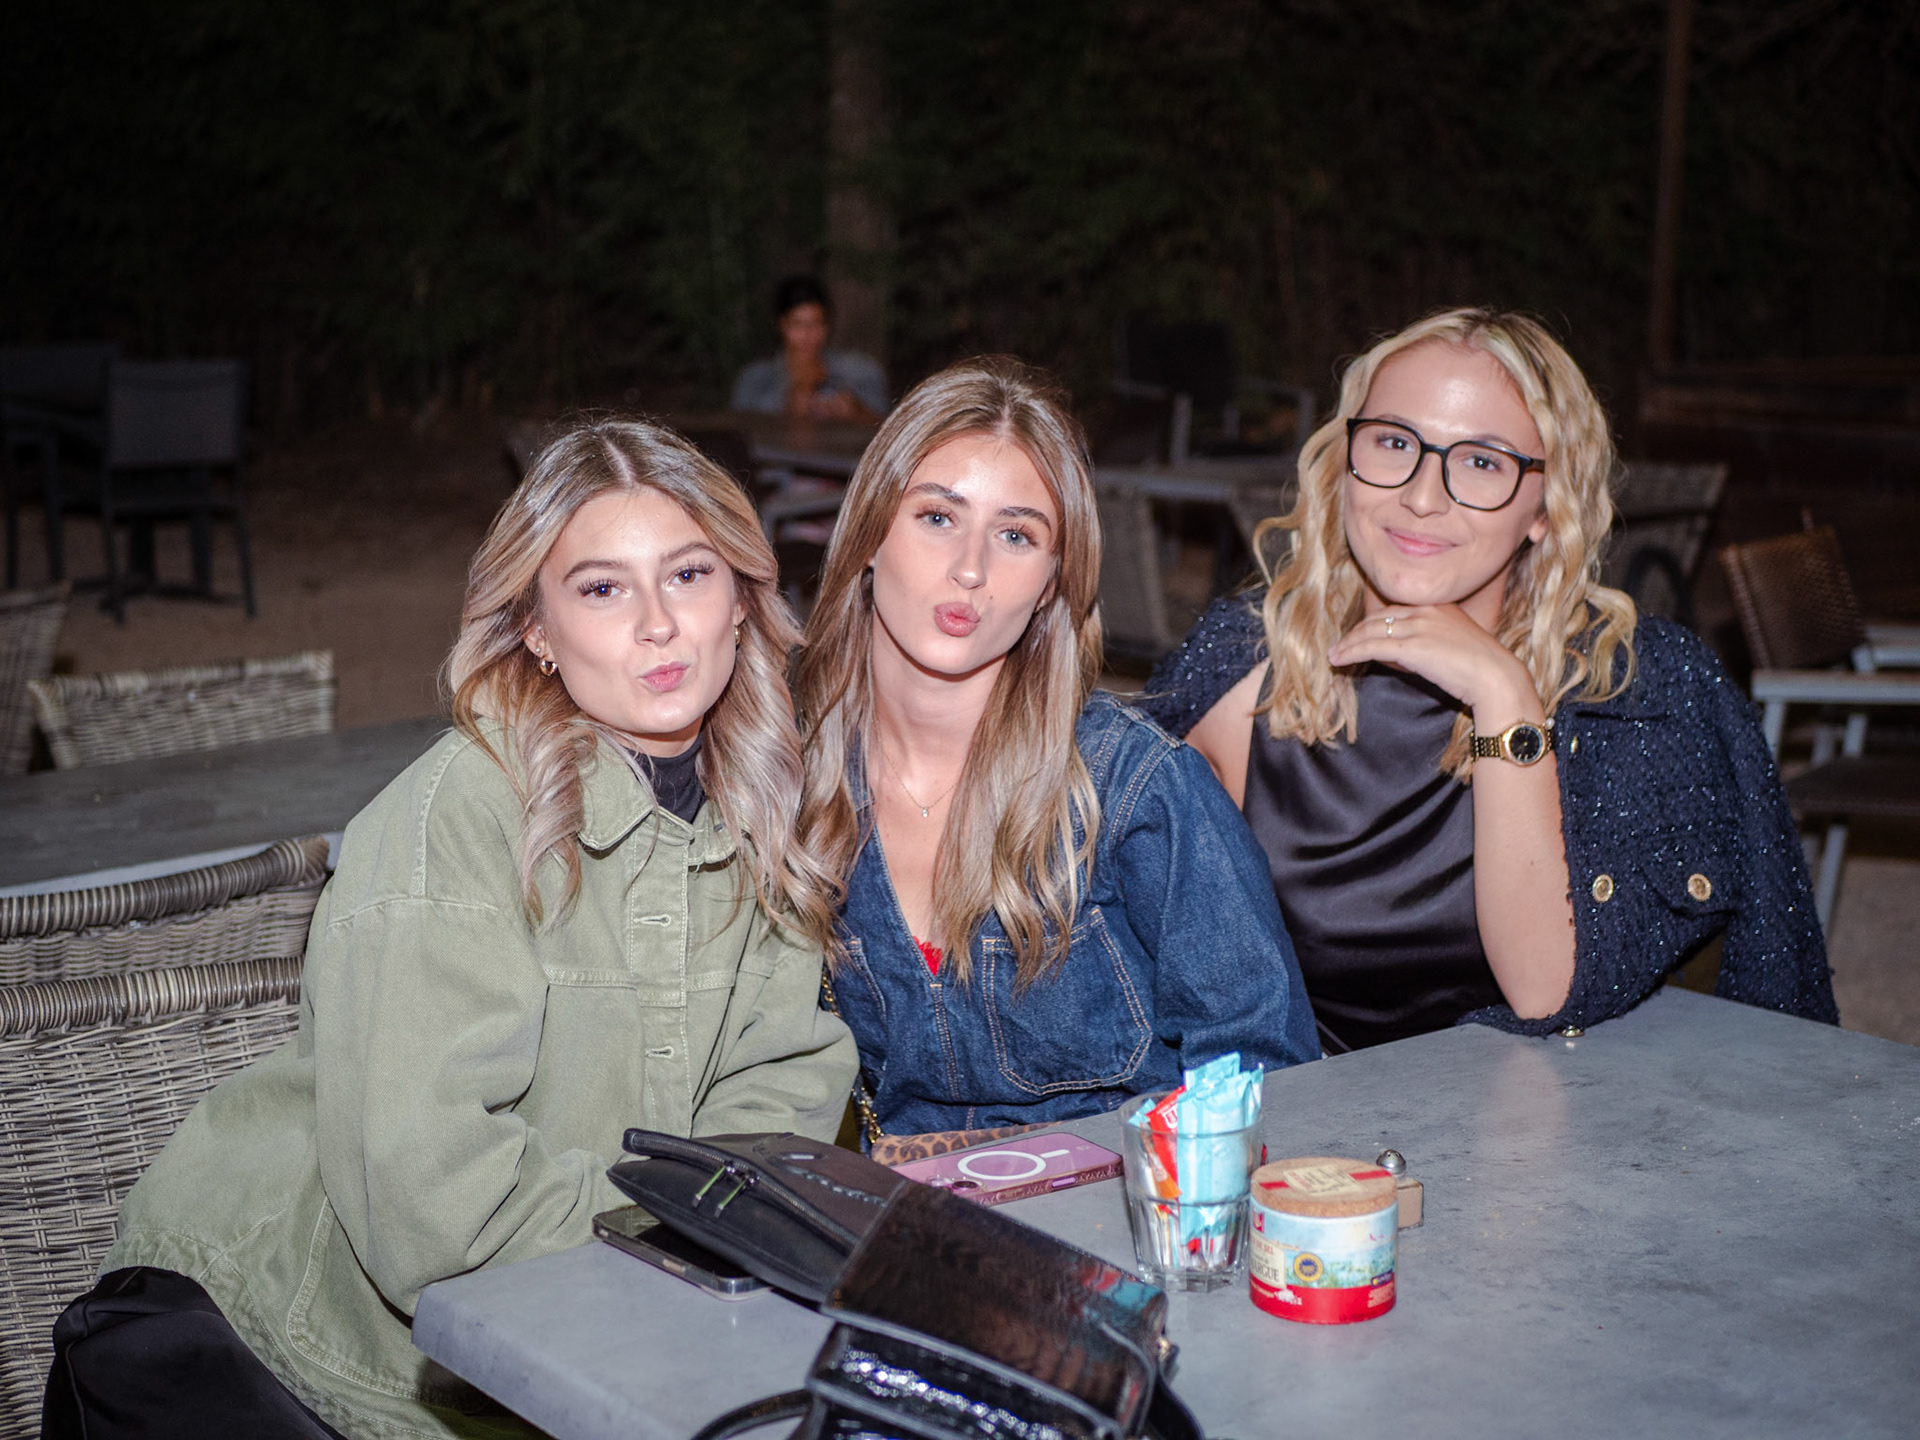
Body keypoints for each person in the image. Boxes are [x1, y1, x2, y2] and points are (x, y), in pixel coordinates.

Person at [46, 423, 857, 1439]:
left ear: (740, 599)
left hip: (576, 1334)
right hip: (267, 1354)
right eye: (603, 589)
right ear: (537, 630)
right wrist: (685, 1239)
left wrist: (711, 1234)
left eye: (688, 575)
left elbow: (777, 1089)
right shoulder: (460, 816)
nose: (659, 624)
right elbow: (438, 1208)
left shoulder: (766, 809)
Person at [1135, 307, 1837, 1052]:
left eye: (1481, 463)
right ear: (1343, 464)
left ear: (1545, 508)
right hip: (1303, 1114)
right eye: (1394, 442)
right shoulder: (1247, 660)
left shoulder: (1629, 689)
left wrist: (1503, 696)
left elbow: (1544, 992)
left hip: (1551, 1113)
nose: (1422, 496)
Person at [791, 356, 1317, 1143]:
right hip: (907, 1207)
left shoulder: (1134, 787)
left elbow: (1268, 1077)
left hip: (1124, 1204)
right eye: (937, 517)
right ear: (869, 534)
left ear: (1050, 582)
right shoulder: (788, 784)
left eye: (1015, 535)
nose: (970, 569)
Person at [730, 274, 887, 422]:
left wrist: (856, 411)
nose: (807, 334)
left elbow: (886, 426)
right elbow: (743, 430)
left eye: (816, 323)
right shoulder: (755, 379)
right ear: (781, 325)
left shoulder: (860, 370)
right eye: (797, 325)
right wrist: (794, 402)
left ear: (827, 325)